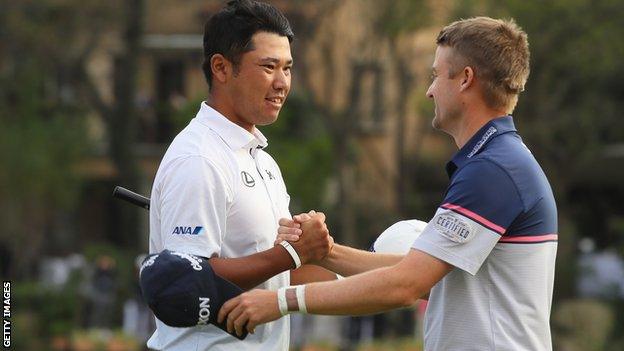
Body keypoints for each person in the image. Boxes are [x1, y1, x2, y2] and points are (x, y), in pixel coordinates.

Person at [218, 17, 558, 351]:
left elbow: (405, 285)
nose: (429, 90)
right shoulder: (497, 160)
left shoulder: (493, 170)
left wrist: (280, 301)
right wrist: (326, 253)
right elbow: (413, 271)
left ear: (466, 79)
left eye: (436, 75)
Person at [147, 1, 334, 350]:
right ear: (220, 67)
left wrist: (381, 273)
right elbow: (184, 278)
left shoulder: (262, 161)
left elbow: (275, 275)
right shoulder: (199, 158)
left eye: (288, 68)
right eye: (268, 67)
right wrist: (292, 253)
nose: (282, 83)